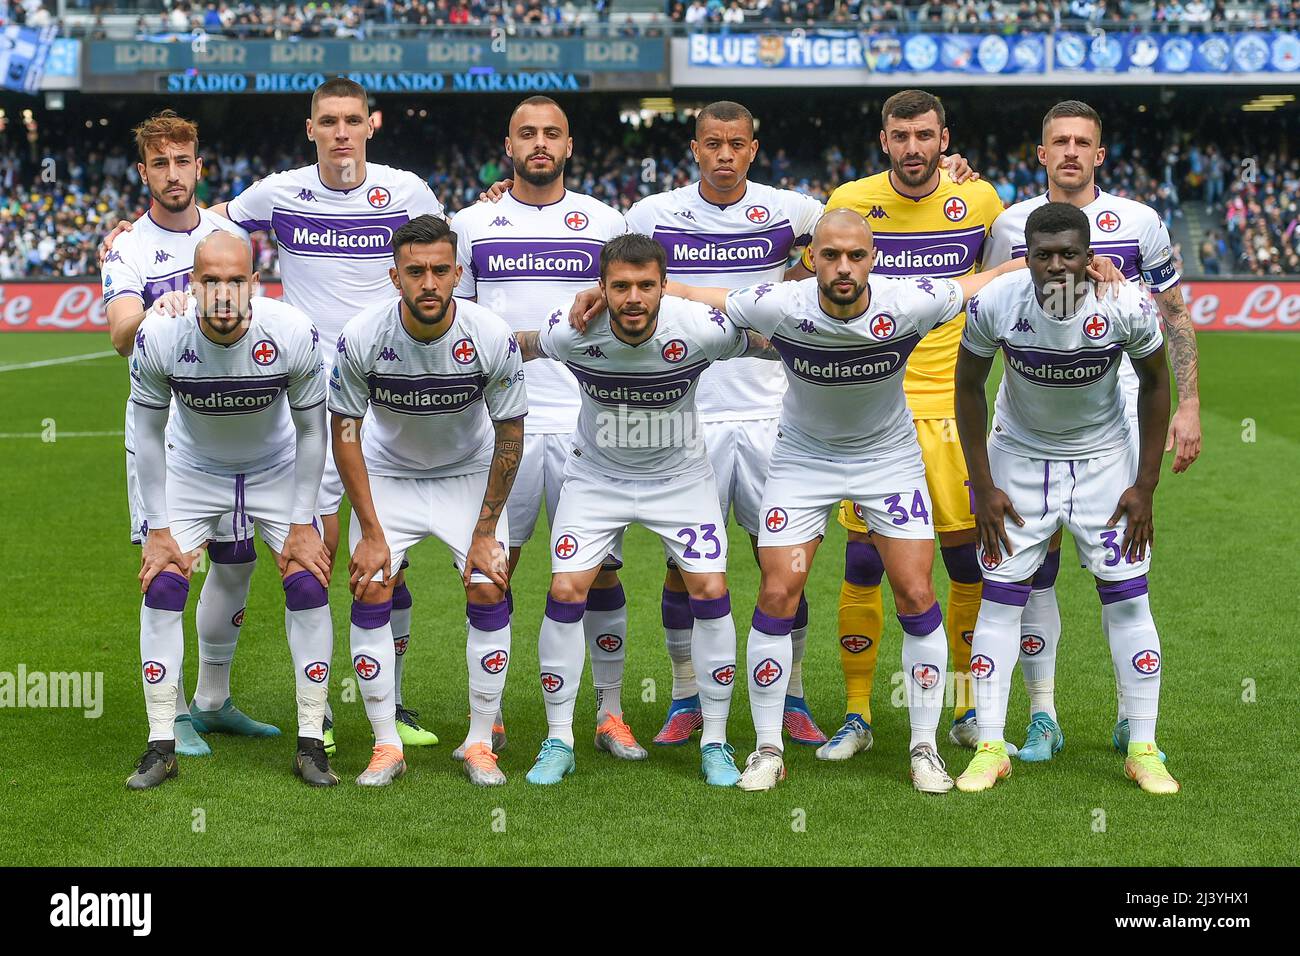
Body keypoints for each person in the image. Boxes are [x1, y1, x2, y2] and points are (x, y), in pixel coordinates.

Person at [103, 78, 451, 755]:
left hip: (384, 395)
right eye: (329, 120)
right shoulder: (274, 194)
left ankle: (392, 700)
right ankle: (263, 713)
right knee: (304, 558)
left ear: (372, 124)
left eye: (353, 119)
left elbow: (443, 245)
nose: (342, 131)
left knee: (388, 557)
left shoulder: (408, 191)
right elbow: (198, 232)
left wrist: (497, 200)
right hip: (291, 403)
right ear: (311, 127)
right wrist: (147, 262)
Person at [673, 208, 1027, 792]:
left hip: (888, 462)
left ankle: (924, 748)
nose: (843, 267)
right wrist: (646, 287)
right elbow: (701, 295)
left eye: (856, 256)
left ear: (873, 259)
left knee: (915, 591)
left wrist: (1060, 264)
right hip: (802, 462)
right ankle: (767, 748)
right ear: (812, 257)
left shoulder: (909, 301)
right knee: (778, 590)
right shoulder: (781, 304)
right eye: (830, 255)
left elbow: (982, 281)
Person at [786, 90, 1007, 758]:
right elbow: (817, 279)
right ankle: (858, 715)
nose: (913, 148)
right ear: (884, 140)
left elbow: (1015, 268)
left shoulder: (982, 202)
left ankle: (964, 709)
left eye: (925, 136)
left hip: (952, 416)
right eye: (900, 136)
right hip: (874, 414)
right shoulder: (850, 203)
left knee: (965, 563)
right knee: (864, 564)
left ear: (945, 138)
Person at [514, 234, 777, 787]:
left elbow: (767, 343)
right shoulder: (574, 331)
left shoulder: (700, 328)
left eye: (646, 286)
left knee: (709, 589)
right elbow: (522, 345)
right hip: (596, 479)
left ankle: (717, 740)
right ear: (601, 289)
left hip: (680, 480)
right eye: (620, 287)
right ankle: (558, 736)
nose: (633, 298)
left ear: (663, 285)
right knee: (566, 590)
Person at [983, 99, 1200, 759]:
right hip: (1031, 411)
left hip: (1118, 410)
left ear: (1099, 154)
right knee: (1034, 569)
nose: (1071, 151)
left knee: (1124, 570)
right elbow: (989, 295)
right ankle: (1042, 716)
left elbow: (1173, 314)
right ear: (1041, 154)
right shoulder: (1011, 222)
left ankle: (1133, 719)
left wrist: (1187, 405)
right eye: (1060, 142)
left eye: (1083, 142)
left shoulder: (1140, 222)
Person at [953, 201, 1179, 795]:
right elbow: (969, 387)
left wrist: (1145, 484)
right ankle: (991, 745)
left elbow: (1157, 383)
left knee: (1128, 600)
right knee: (1000, 602)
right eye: (1043, 255)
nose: (1057, 267)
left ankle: (1143, 746)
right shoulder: (996, 303)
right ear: (1025, 257)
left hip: (1105, 463)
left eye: (1069, 255)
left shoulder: (1124, 303)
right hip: (1020, 459)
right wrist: (982, 484)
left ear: (1089, 257)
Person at [454, 96, 639, 759]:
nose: (539, 143)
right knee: (492, 569)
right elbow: (459, 329)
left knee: (601, 573)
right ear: (508, 145)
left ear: (569, 146)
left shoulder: (605, 222)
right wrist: (535, 344)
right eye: (527, 133)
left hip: (589, 425)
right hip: (501, 424)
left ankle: (610, 714)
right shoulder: (470, 224)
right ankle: (489, 718)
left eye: (551, 134)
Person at [126, 231, 336, 790]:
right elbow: (145, 432)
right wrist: (160, 528)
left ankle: (312, 741)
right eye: (211, 281)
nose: (224, 294)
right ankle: (160, 741)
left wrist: (299, 522)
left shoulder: (292, 333)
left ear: (254, 285)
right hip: (193, 471)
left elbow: (315, 431)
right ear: (192, 286)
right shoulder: (161, 335)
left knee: (308, 580)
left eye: (235, 281)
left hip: (274, 469)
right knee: (163, 583)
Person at [102, 110, 275, 757]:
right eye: (160, 163)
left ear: (200, 166)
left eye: (184, 161)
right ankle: (168, 714)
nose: (173, 175)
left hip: (231, 429)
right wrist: (158, 305)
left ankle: (212, 701)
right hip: (162, 434)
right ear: (143, 171)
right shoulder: (130, 247)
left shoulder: (229, 234)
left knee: (236, 563)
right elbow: (121, 335)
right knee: (168, 571)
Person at [330, 215, 526, 787]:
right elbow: (345, 432)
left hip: (467, 474)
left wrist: (486, 531)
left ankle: (478, 740)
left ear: (458, 273)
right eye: (416, 272)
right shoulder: (362, 336)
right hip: (390, 474)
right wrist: (369, 531)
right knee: (370, 584)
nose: (429, 283)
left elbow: (510, 436)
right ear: (395, 277)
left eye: (441, 270)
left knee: (489, 584)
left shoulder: (491, 335)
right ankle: (386, 743)